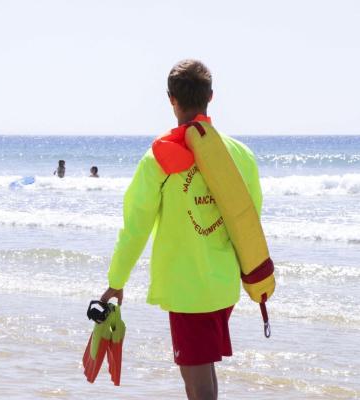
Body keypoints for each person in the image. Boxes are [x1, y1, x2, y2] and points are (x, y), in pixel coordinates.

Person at [99, 59, 263, 400]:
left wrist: (116, 281)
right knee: (205, 372)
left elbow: (136, 227)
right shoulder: (241, 155)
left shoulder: (159, 157)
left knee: (197, 383)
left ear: (171, 98)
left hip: (189, 290)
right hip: (222, 286)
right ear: (211, 97)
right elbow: (250, 220)